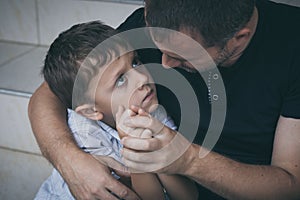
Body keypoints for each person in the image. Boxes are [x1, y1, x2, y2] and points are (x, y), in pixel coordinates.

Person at [27, 0, 300, 199]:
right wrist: (69, 161)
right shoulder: (154, 19)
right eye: (155, 45)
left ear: (237, 40)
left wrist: (187, 160)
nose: (163, 66)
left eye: (181, 56)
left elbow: (290, 187)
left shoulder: (292, 46)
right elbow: (51, 93)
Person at [33, 21, 198, 200]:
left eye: (135, 63)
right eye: (120, 80)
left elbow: (187, 196)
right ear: (91, 112)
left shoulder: (154, 112)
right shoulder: (86, 136)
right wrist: (135, 155)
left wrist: (160, 155)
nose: (142, 77)